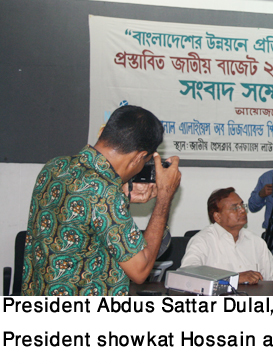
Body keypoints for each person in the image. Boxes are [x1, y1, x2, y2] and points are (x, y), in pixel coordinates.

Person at [22, 105, 181, 296]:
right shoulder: (105, 193)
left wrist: (122, 193)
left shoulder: (54, 166)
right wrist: (164, 197)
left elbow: (82, 214)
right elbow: (141, 270)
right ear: (139, 157)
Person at [181, 187, 273, 283]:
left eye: (242, 205)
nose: (242, 210)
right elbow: (188, 274)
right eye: (235, 208)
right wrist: (233, 278)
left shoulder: (256, 242)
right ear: (217, 217)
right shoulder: (202, 241)